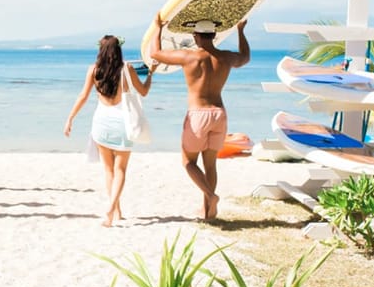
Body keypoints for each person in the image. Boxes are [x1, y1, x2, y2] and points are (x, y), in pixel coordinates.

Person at [148, 15, 250, 219]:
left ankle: (211, 197)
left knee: (188, 162)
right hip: (219, 113)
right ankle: (208, 211)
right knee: (210, 164)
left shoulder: (189, 57)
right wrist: (240, 31)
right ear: (213, 35)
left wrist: (157, 28)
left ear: (196, 36)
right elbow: (245, 57)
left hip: (198, 115)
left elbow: (155, 53)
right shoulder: (226, 57)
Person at [64, 35, 155, 226]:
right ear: (118, 51)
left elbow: (83, 96)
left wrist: (70, 118)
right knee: (120, 169)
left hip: (101, 124)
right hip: (123, 125)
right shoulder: (127, 69)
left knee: (108, 170)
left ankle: (116, 210)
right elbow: (144, 92)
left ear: (101, 50)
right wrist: (150, 74)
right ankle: (112, 209)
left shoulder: (94, 70)